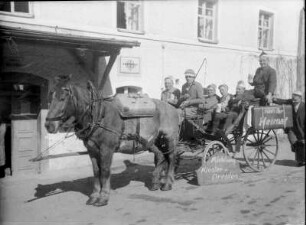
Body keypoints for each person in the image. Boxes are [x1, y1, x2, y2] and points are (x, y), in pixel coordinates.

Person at [273, 90, 305, 166]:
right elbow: (282, 101)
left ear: (300, 98)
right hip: (292, 128)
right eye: (293, 98)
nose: (294, 100)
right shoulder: (291, 102)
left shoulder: (304, 106)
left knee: (301, 143)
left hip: (302, 129)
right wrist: (274, 99)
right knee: (294, 142)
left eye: (295, 99)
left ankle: (301, 161)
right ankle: (300, 158)